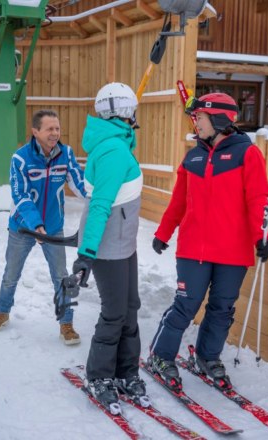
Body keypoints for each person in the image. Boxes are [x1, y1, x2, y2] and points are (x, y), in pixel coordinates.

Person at [147, 92, 268, 391]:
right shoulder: (193, 156)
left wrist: (262, 237)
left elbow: (258, 200)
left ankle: (207, 356)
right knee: (186, 305)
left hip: (233, 250)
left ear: (218, 119)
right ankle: (161, 356)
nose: (196, 123)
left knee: (222, 308)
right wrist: (163, 233)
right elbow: (178, 202)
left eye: (199, 118)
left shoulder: (247, 154)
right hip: (194, 249)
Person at [70, 82, 148, 412]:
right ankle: (99, 375)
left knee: (130, 307)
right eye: (132, 110)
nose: (135, 115)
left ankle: (126, 371)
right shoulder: (115, 151)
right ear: (123, 112)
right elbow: (100, 204)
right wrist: (86, 254)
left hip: (123, 243)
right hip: (108, 249)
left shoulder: (114, 143)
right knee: (115, 312)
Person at [0, 109, 86, 346]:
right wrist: (35, 225)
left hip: (53, 227)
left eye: (57, 129)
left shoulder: (66, 154)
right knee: (11, 273)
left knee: (61, 277)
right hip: (22, 227)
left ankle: (66, 323)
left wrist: (98, 202)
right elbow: (20, 195)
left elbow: (80, 184)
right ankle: (2, 311)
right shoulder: (20, 158)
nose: (55, 133)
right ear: (35, 131)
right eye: (50, 129)